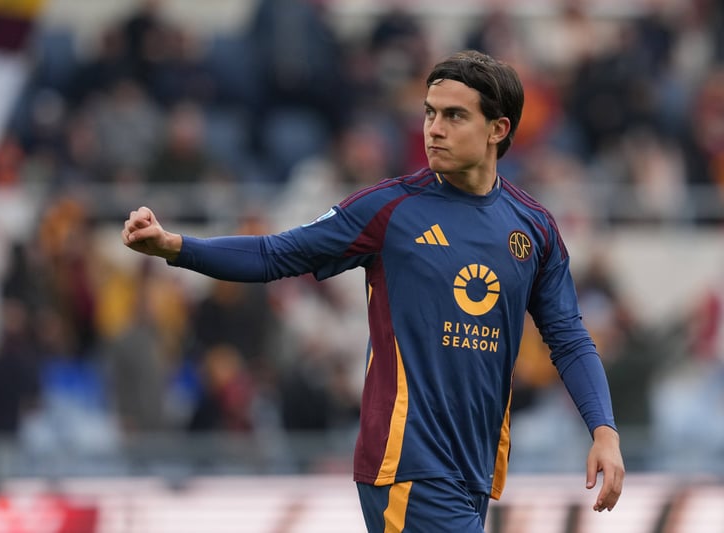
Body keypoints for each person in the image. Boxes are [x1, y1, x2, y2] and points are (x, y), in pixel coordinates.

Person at [121, 50, 625, 531]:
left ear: (498, 129)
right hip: (406, 462)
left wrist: (603, 430)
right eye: (429, 113)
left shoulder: (533, 228)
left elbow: (568, 337)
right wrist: (175, 246)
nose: (434, 128)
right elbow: (276, 254)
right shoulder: (388, 210)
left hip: (474, 469)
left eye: (454, 115)